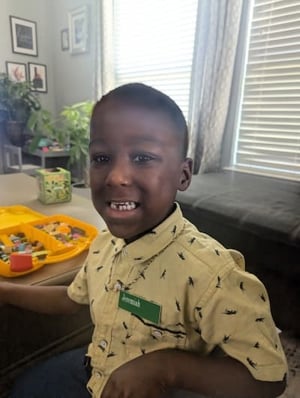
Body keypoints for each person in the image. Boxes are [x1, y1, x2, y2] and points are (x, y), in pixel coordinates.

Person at [0, 83, 287, 398]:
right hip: (97, 368)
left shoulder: (214, 275)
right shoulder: (103, 243)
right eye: (101, 158)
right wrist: (7, 290)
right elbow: (72, 298)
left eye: (142, 157)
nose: (116, 176)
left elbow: (269, 379)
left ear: (184, 174)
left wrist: (164, 367)